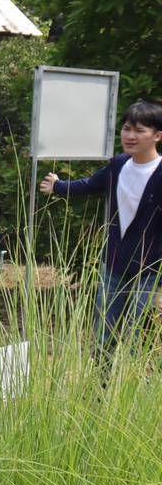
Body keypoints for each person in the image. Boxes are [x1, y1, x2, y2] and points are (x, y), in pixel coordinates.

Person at [39, 100, 162, 356]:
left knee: (137, 334)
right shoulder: (119, 165)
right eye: (127, 128)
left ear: (157, 136)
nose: (130, 136)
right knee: (105, 333)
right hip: (114, 263)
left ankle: (133, 390)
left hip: (148, 270)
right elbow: (91, 184)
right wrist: (59, 187)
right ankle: (99, 391)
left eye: (140, 130)